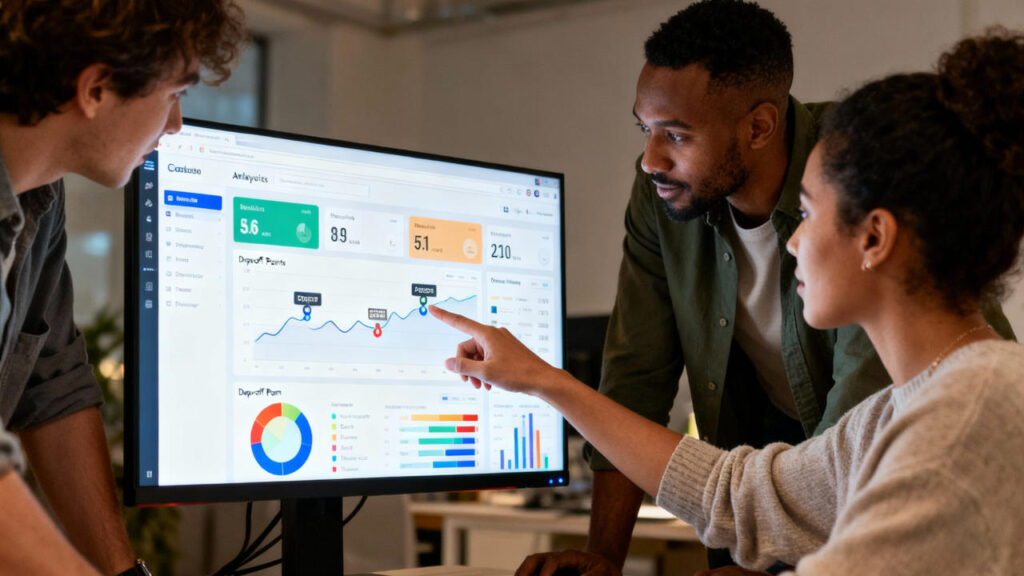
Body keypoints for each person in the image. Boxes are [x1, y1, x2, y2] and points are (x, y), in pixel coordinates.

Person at [431, 28, 1024, 575]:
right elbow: (743, 496)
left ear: (873, 237)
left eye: (809, 212)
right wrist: (543, 380)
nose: (790, 238)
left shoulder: (967, 421)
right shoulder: (897, 416)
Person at [0, 1, 245, 573]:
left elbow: (50, 382)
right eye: (174, 94)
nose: (176, 124)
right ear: (97, 89)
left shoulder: (41, 199)